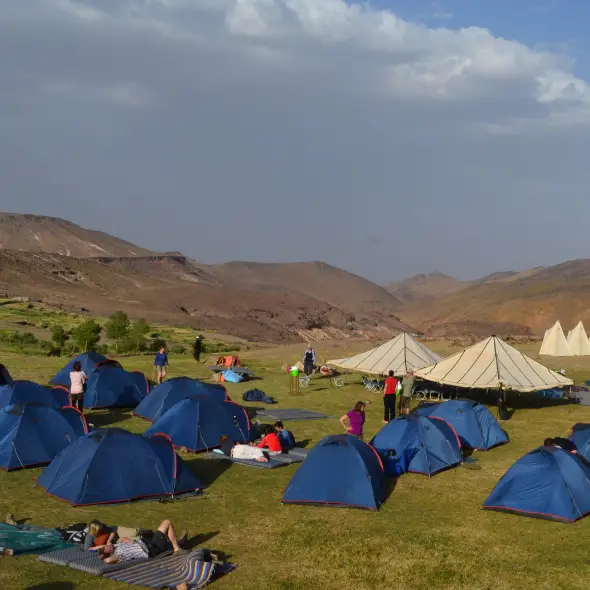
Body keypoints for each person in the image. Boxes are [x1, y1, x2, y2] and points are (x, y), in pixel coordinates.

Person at [96, 520, 186, 564]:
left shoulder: (117, 546)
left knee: (163, 533)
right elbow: (108, 560)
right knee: (167, 522)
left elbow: (115, 539)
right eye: (107, 549)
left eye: (105, 547)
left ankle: (179, 542)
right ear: (109, 553)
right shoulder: (118, 555)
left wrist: (126, 540)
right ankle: (177, 549)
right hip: (151, 548)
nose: (108, 546)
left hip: (145, 541)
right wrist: (102, 556)